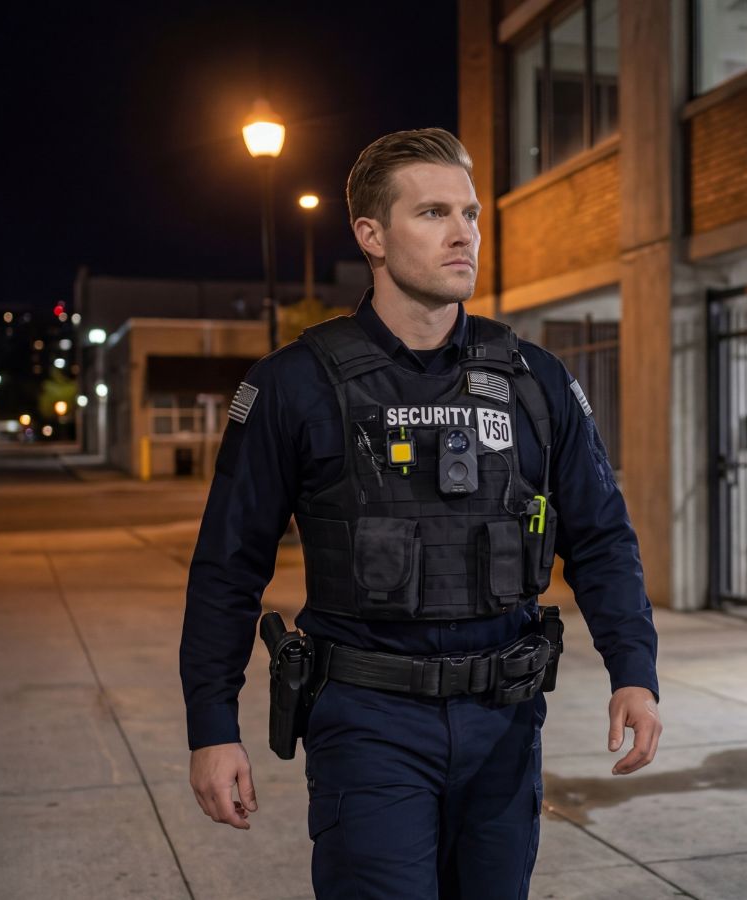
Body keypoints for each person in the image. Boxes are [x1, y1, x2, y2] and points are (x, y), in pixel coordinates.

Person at [179, 127, 662, 899]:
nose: (463, 232)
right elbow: (228, 566)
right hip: (370, 726)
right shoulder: (294, 386)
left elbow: (601, 536)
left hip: (504, 725)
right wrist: (212, 724)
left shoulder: (535, 381)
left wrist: (634, 670)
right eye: (433, 213)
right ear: (371, 234)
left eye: (469, 213)